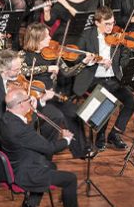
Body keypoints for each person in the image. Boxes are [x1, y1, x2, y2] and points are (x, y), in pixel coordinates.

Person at [0, 88, 93, 207]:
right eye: (27, 99)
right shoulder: (19, 129)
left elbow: (28, 132)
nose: (31, 100)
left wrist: (34, 110)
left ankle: (30, 206)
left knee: (50, 165)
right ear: (20, 104)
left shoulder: (7, 118)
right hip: (25, 173)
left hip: (19, 163)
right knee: (70, 179)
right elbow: (49, 147)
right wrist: (66, 140)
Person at [73, 6, 134, 149]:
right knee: (107, 95)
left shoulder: (118, 38)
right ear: (97, 22)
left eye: (112, 23)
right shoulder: (86, 35)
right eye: (107, 24)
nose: (111, 27)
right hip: (93, 79)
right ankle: (100, 135)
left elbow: (123, 62)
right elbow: (76, 58)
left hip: (113, 79)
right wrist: (97, 60)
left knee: (132, 100)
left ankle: (114, 134)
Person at [19, 23, 90, 158]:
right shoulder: (23, 55)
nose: (50, 38)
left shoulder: (53, 54)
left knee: (74, 112)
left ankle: (81, 150)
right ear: (37, 39)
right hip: (36, 99)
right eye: (47, 36)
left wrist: (84, 63)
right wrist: (47, 68)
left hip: (53, 95)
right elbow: (23, 70)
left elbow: (68, 72)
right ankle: (46, 150)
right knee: (57, 115)